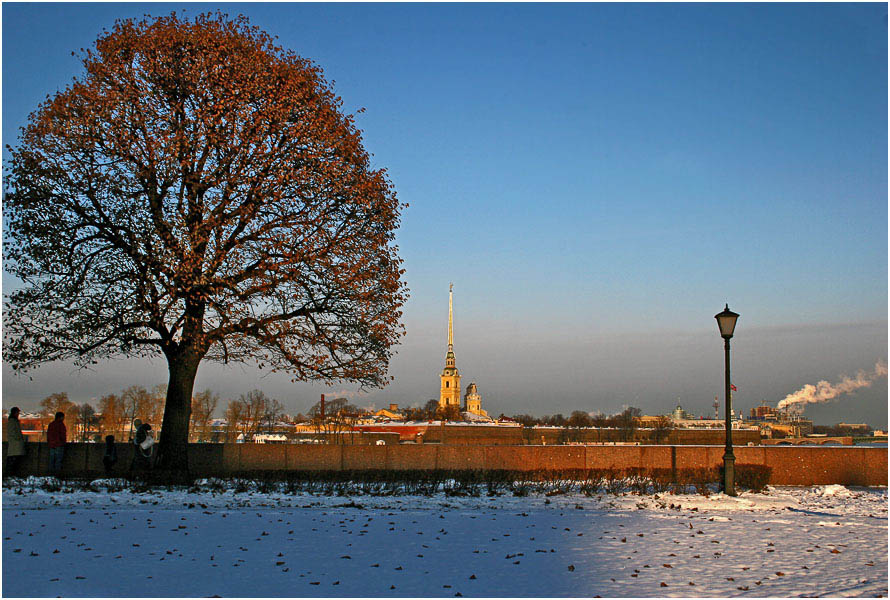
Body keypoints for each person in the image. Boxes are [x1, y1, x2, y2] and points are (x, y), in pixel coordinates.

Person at [6, 407, 26, 476]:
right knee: (13, 461)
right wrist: (19, 438)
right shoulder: (13, 421)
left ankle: (11, 475)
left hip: (15, 445)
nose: (18, 414)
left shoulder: (13, 421)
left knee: (14, 461)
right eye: (17, 412)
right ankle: (11, 475)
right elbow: (13, 433)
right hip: (15, 445)